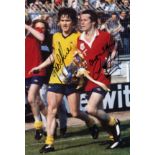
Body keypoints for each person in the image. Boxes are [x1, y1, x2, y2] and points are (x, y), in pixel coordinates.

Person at [29, 7, 99, 153]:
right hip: (55, 78)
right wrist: (39, 66)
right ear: (58, 22)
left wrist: (72, 71)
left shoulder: (79, 37)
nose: (65, 23)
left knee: (75, 112)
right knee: (52, 110)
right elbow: (54, 55)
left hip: (72, 79)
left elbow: (83, 58)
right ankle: (49, 143)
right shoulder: (55, 37)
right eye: (62, 20)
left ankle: (91, 122)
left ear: (73, 22)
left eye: (68, 20)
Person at [77, 9, 121, 149]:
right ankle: (114, 138)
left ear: (93, 21)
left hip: (102, 77)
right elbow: (82, 59)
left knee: (90, 109)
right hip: (89, 78)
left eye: (85, 19)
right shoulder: (80, 40)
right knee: (99, 113)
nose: (81, 22)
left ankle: (115, 122)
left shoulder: (105, 36)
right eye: (80, 19)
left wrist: (109, 64)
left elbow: (114, 50)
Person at [25, 19, 48, 140]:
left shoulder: (35, 31)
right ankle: (49, 122)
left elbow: (41, 37)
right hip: (26, 73)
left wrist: (27, 27)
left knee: (31, 97)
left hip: (37, 70)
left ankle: (38, 126)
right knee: (37, 101)